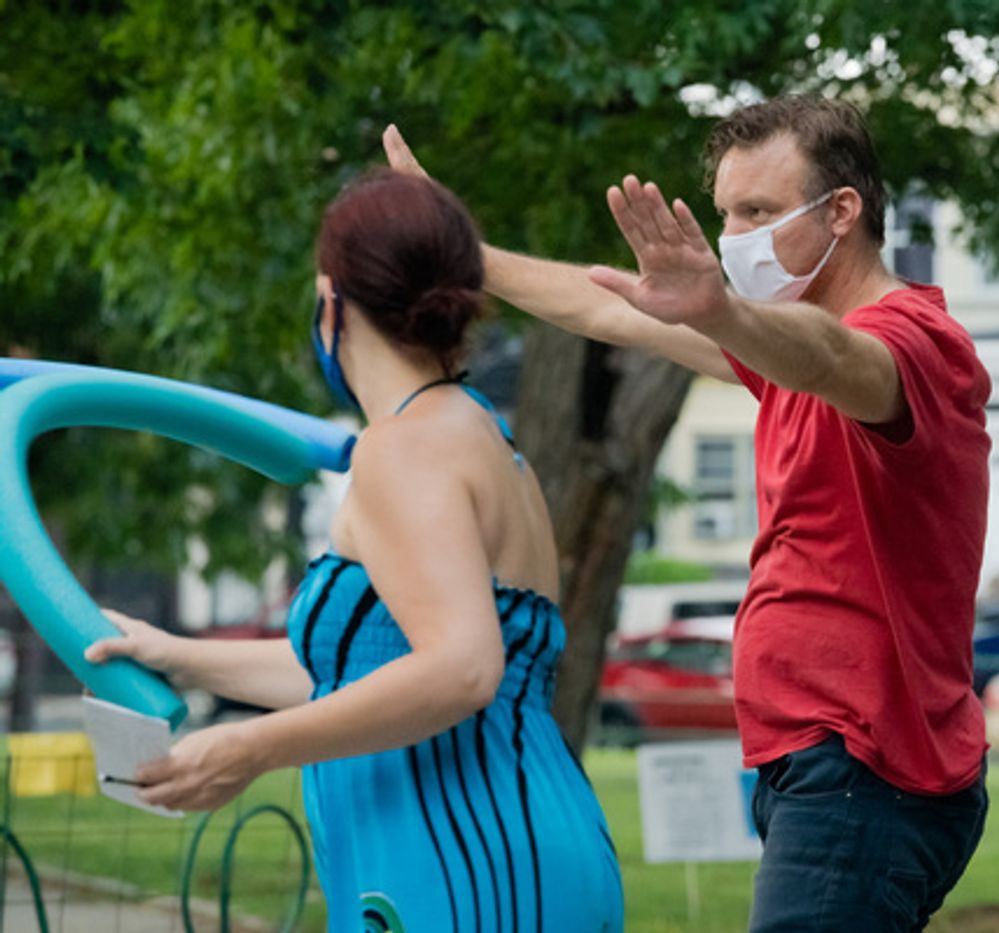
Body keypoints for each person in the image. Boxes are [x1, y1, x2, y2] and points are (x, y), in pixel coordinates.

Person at [385, 93, 992, 931]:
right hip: (823, 768)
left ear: (842, 211)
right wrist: (461, 257)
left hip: (864, 768)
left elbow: (837, 358)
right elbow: (605, 306)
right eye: (726, 214)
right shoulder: (775, 349)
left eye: (759, 212)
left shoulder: (914, 344)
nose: (734, 236)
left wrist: (724, 311)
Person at [84, 169, 624, 933]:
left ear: (332, 298)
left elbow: (463, 667)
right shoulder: (479, 436)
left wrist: (248, 747)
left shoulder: (400, 451)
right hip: (511, 835)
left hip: (461, 852)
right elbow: (367, 671)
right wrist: (180, 654)